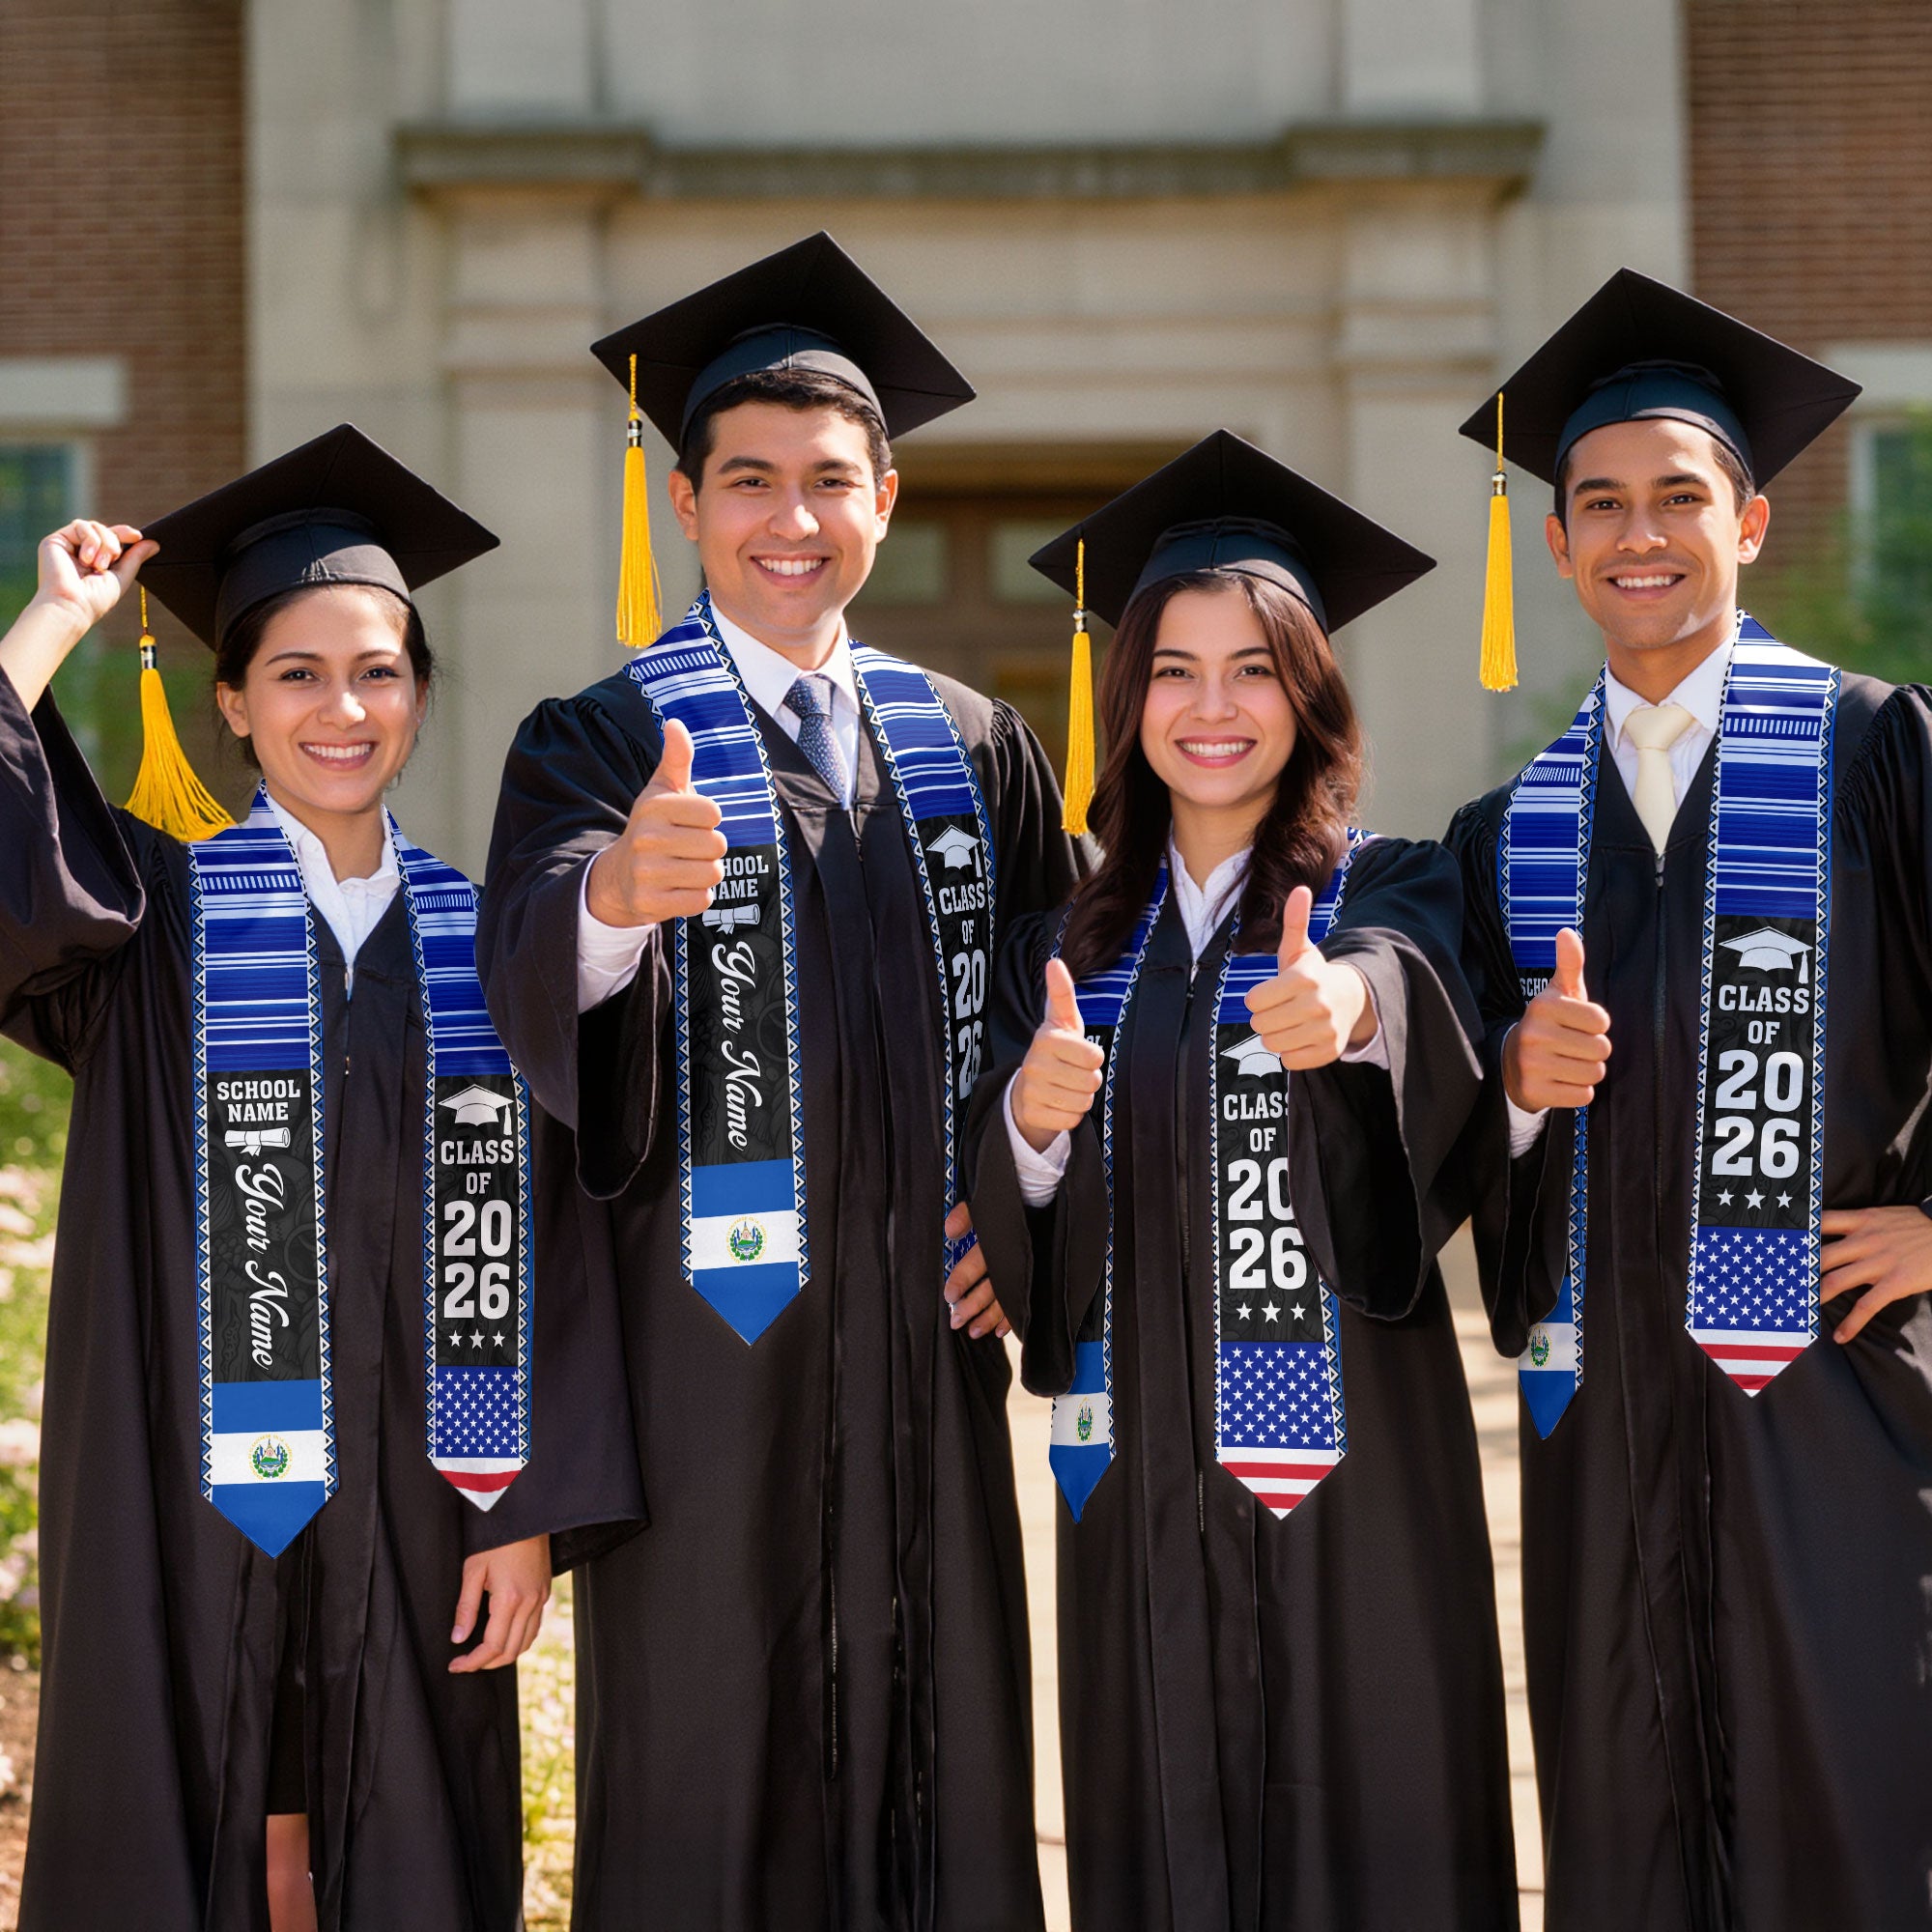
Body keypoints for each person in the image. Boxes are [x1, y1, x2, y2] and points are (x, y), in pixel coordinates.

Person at [478, 233, 1081, 1931]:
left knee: (942, 1756)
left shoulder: (974, 743)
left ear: (886, 497)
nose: (791, 519)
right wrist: (611, 900)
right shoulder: (599, 739)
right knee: (709, 1772)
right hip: (706, 1368)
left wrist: (1025, 1209)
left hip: (924, 1352)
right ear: (686, 504)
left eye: (830, 481)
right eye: (749, 481)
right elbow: (526, 962)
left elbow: (1074, 1007)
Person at [0, 424, 640, 1931]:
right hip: (184, 1482)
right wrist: (52, 624)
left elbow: (560, 1243)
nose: (341, 708)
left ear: (419, 694)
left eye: (378, 671)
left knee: (406, 1832)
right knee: (199, 1803)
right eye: (295, 673)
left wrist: (526, 1507)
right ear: (230, 702)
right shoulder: (147, 922)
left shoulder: (491, 942)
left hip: (429, 1494)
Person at [966, 431, 1518, 1930]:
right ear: (1127, 697)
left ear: (1312, 693)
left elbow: (1412, 994)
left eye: (1256, 668)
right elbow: (1021, 1227)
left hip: (1358, 1485)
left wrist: (1348, 1014)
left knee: (1378, 1834)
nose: (1215, 709)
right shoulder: (1064, 948)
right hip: (1136, 1479)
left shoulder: (1391, 886)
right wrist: (1026, 1119)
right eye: (1175, 670)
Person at [1447, 270, 1932, 1931]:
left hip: (1834, 1399)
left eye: (1678, 497)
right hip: (1605, 1422)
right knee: (1624, 1816)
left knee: (1852, 1804)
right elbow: (1444, 1127)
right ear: (1562, 542)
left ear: (1753, 520)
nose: (1636, 534)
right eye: (1599, 504)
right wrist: (1511, 1087)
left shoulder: (1876, 750)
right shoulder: (1511, 828)